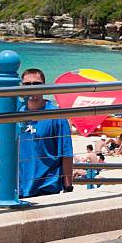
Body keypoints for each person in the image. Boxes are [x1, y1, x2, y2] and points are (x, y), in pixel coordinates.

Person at [18, 68, 73, 198]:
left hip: (46, 188)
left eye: (36, 84)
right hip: (19, 187)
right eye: (27, 84)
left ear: (44, 86)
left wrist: (68, 186)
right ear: (21, 87)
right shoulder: (16, 114)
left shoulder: (56, 116)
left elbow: (66, 154)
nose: (31, 88)